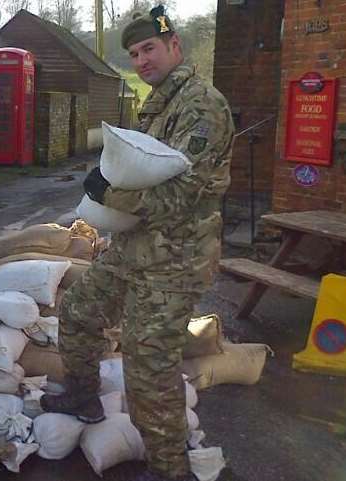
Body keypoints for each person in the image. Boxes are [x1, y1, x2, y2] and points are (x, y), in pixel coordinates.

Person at [40, 6, 234, 481]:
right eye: (133, 54)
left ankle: (169, 470)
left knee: (148, 364)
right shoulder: (159, 102)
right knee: (80, 309)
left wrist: (108, 192)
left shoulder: (200, 105)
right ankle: (83, 394)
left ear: (174, 47)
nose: (141, 60)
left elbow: (179, 193)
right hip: (136, 247)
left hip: (175, 260)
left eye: (149, 48)